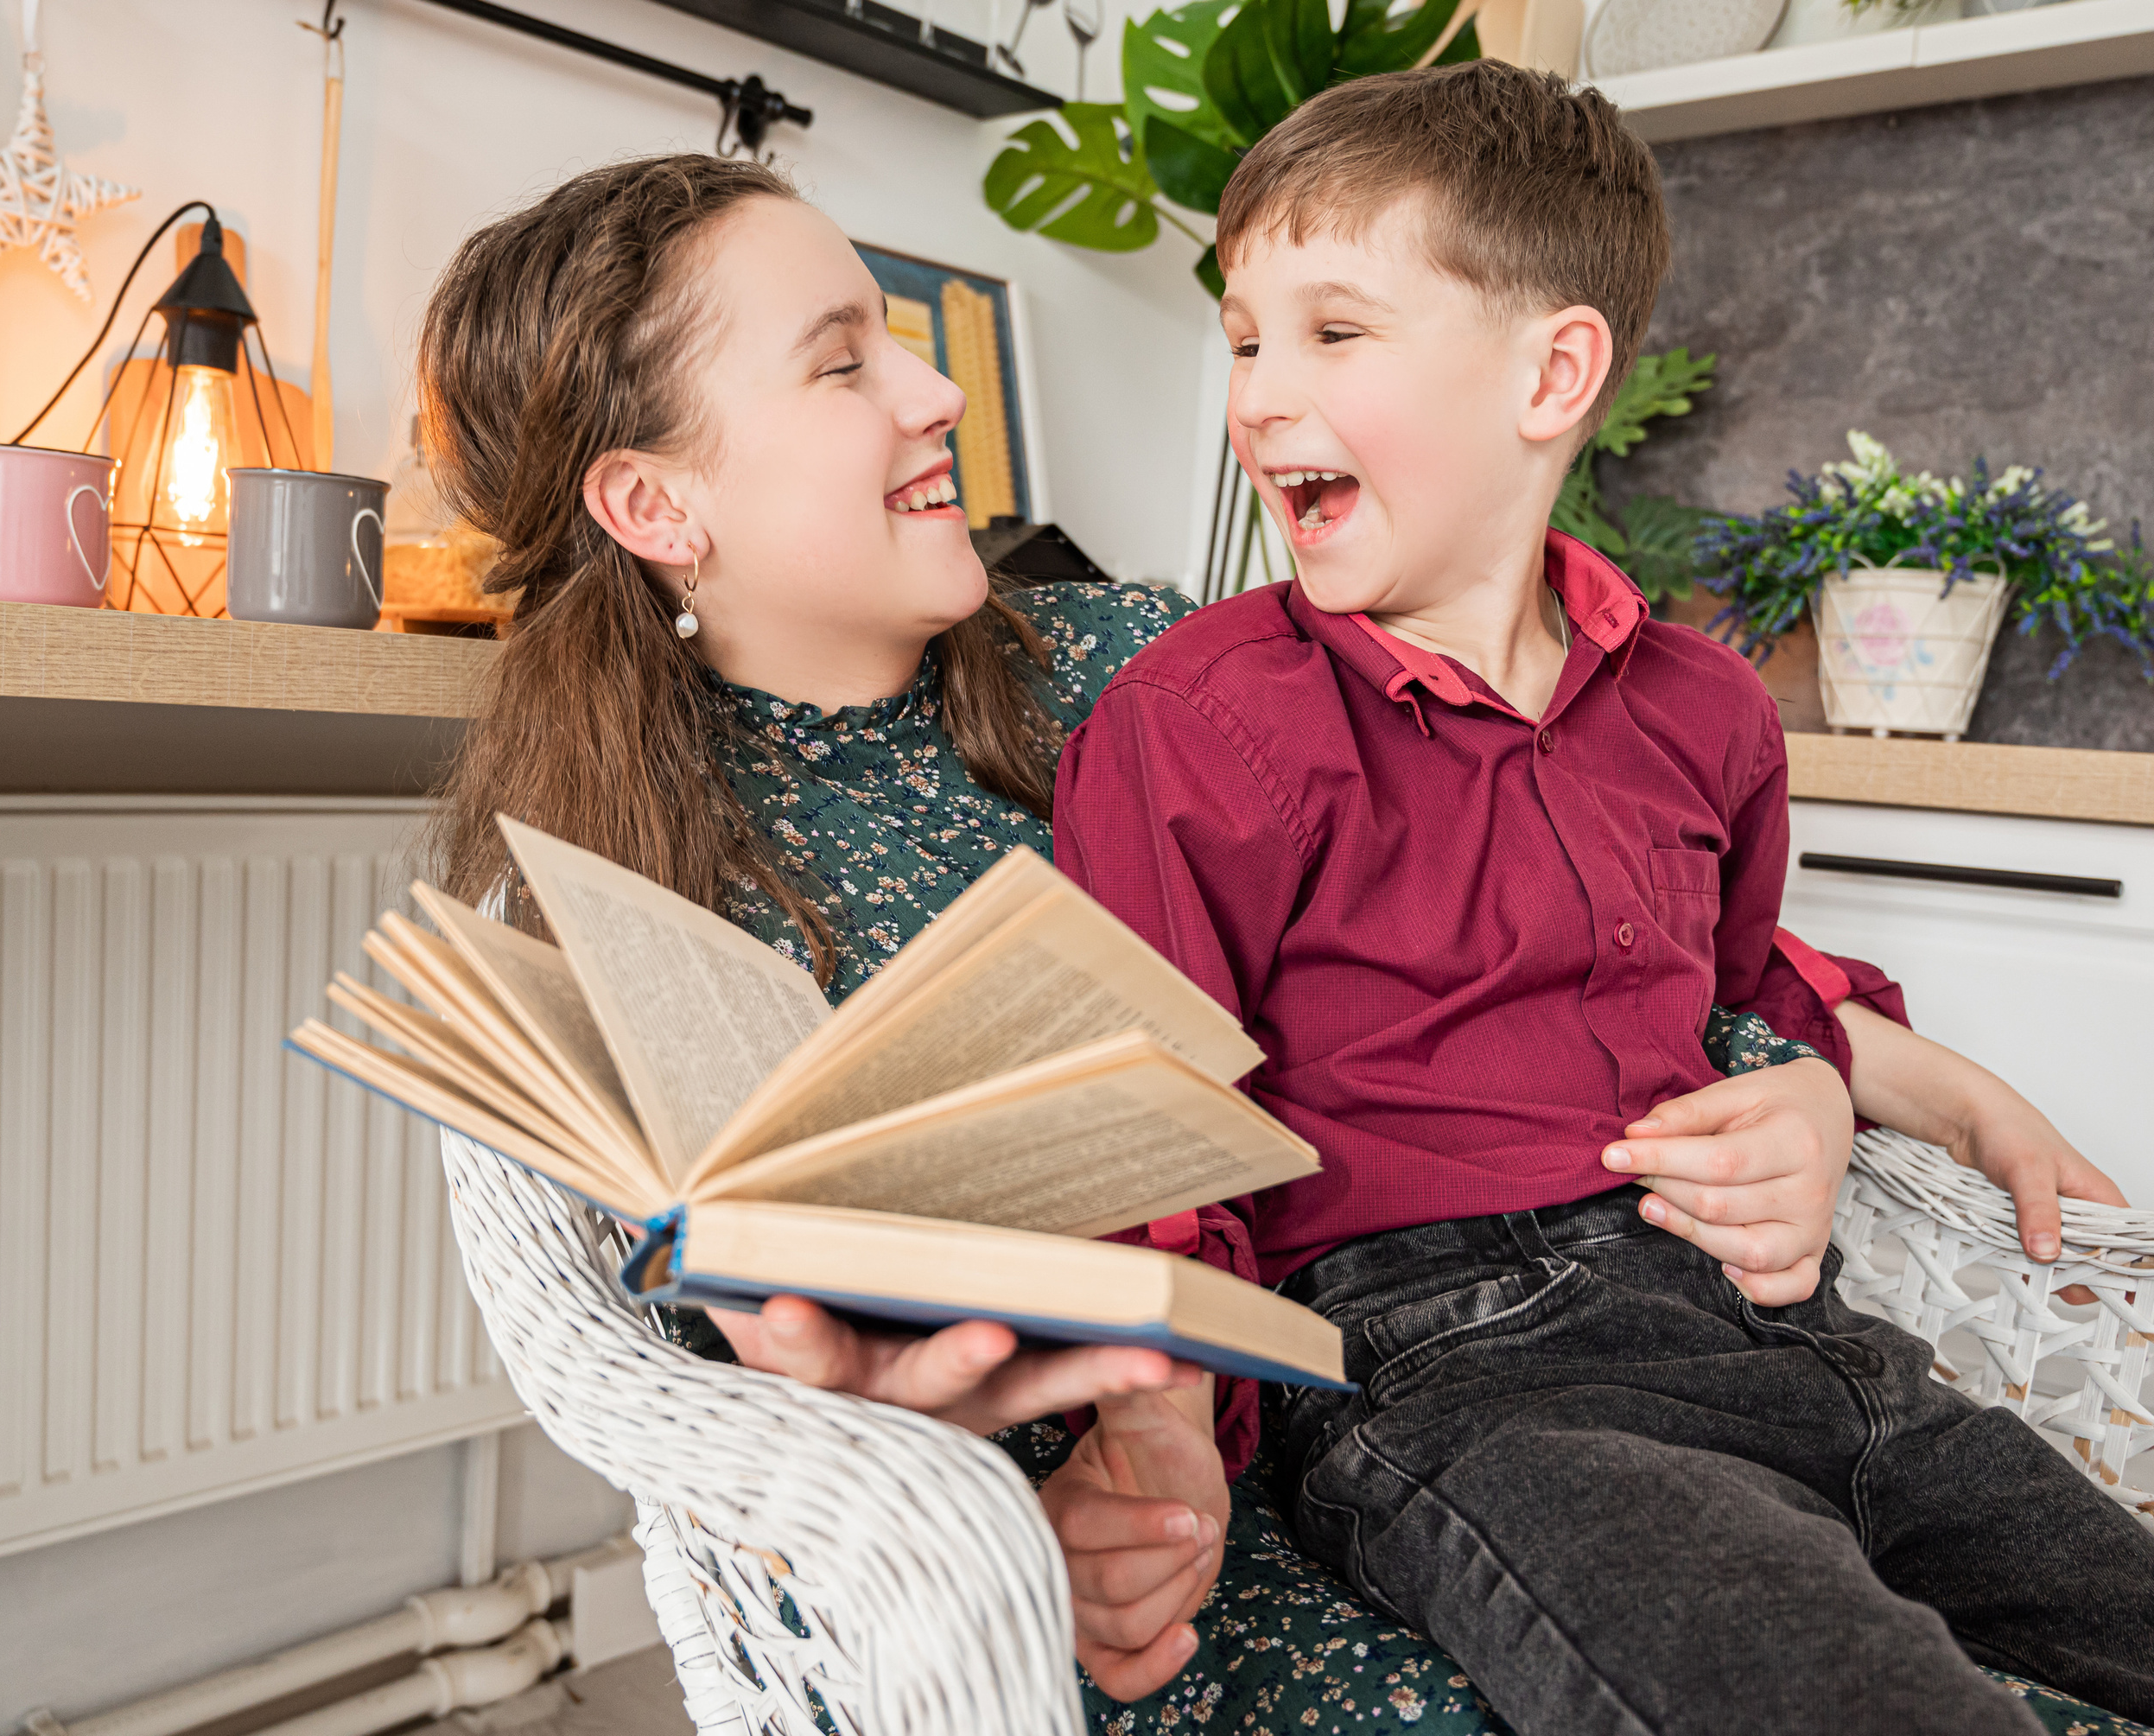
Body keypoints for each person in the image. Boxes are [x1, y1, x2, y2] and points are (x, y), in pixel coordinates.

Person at [412, 150, 2132, 1727]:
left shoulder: (1162, 658)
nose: (939, 390)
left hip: (1588, 1336)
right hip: (1180, 1495)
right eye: (845, 358)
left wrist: (1841, 1084)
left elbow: (1596, 893)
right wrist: (988, 1474)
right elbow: (757, 1373)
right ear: (653, 506)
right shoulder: (636, 889)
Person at [1039, 61, 2153, 1733]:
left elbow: (1734, 974)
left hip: (1802, 1344)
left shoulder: (1706, 710)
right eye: (1245, 334)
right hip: (1464, 1372)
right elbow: (1143, 1116)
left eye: (1333, 333)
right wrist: (1154, 1428)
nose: (1259, 395)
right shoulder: (1198, 726)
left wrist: (1928, 1087)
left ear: (1554, 372)